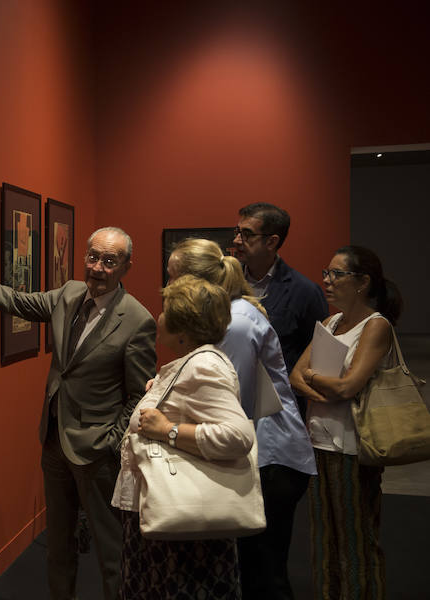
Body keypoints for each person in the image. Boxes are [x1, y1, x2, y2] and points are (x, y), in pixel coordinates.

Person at [0, 226, 156, 600]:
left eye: (109, 261)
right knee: (59, 545)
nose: (97, 268)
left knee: (111, 551)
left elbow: (139, 396)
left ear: (126, 266)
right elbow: (17, 301)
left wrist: (110, 442)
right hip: (54, 440)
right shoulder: (68, 294)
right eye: (93, 257)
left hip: (97, 453)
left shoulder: (137, 320)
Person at [167, 239, 316, 599]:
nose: (168, 287)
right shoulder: (230, 315)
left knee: (263, 575)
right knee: (253, 569)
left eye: (173, 278)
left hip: (271, 460)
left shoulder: (234, 323)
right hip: (264, 455)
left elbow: (231, 406)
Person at [112, 275, 254, 600]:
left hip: (183, 529)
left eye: (165, 311)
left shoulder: (203, 366)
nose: (157, 316)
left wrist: (167, 429)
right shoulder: (192, 363)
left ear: (183, 327)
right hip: (166, 520)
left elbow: (236, 436)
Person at [290, 246, 402, 600]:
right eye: (327, 272)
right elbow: (295, 376)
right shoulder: (330, 323)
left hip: (354, 447)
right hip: (319, 442)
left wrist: (318, 381)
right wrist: (326, 386)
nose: (327, 280)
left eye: (337, 274)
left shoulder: (376, 325)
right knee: (324, 539)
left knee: (356, 542)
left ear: (362, 281)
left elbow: (348, 385)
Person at [233, 203, 328, 418]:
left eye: (247, 234)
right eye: (237, 232)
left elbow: (317, 355)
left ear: (271, 242)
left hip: (280, 410)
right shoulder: (224, 283)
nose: (237, 240)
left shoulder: (304, 291)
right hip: (229, 400)